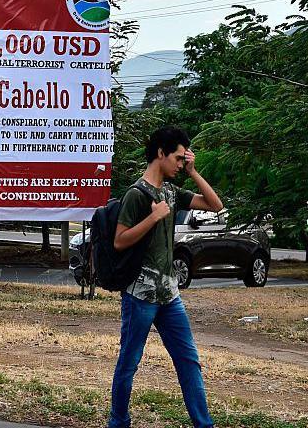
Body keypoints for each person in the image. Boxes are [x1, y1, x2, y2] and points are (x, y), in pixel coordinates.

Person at [109, 126, 223, 428]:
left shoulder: (172, 193)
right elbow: (120, 241)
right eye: (176, 158)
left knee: (189, 361)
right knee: (129, 363)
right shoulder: (136, 194)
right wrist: (153, 217)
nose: (179, 165)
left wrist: (194, 171)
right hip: (140, 295)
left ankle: (204, 423)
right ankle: (118, 422)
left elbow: (215, 205)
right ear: (160, 154)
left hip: (169, 294)